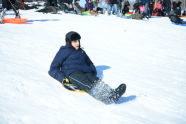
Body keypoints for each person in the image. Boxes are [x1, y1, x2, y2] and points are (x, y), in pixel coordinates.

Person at [48, 31, 126, 104]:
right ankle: (106, 98)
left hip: (86, 71)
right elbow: (53, 69)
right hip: (72, 73)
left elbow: (89, 62)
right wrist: (62, 78)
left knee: (96, 81)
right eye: (75, 41)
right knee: (86, 83)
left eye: (78, 41)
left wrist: (92, 71)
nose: (78, 43)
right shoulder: (64, 51)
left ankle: (113, 93)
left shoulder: (81, 51)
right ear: (69, 42)